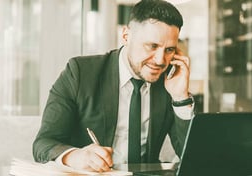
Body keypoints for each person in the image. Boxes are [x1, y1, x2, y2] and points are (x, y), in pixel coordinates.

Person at [33, 0, 195, 173]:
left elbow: (193, 156)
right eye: (152, 46)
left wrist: (180, 98)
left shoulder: (168, 83)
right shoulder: (80, 73)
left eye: (169, 50)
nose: (160, 60)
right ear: (126, 36)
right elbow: (43, 143)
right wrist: (75, 156)